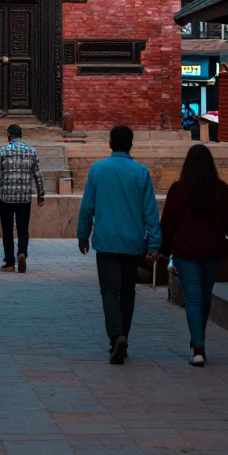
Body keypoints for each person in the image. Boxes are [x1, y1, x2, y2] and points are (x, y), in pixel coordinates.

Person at [77, 124, 160, 364]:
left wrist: (83, 235)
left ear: (110, 144)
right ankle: (123, 334)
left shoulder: (98, 170)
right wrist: (154, 242)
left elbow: (87, 207)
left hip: (106, 241)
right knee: (127, 292)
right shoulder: (140, 172)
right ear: (131, 144)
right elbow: (150, 211)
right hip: (133, 242)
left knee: (109, 291)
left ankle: (116, 336)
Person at [160, 144, 228, 366]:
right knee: (203, 297)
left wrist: (162, 251)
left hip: (186, 252)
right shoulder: (221, 189)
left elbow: (168, 224)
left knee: (195, 299)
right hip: (213, 252)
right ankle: (198, 343)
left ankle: (198, 345)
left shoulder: (178, 190)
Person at [0, 123, 45, 273]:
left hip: (6, 198)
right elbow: (38, 175)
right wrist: (41, 194)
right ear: (21, 136)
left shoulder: (2, 152)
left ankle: (10, 262)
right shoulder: (31, 152)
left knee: (7, 230)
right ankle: (22, 253)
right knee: (22, 228)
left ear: (9, 137)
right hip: (24, 198)